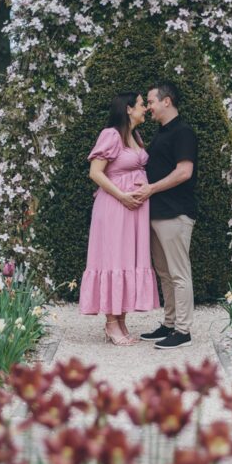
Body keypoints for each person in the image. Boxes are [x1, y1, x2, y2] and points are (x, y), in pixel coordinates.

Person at [79, 92, 160, 344]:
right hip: (115, 207)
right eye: (140, 104)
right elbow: (96, 173)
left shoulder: (135, 136)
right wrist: (123, 196)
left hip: (134, 211)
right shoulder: (111, 135)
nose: (145, 108)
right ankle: (111, 323)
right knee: (114, 258)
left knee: (127, 260)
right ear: (127, 109)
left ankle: (121, 320)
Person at [133, 81, 197, 349]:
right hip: (157, 212)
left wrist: (151, 189)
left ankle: (183, 331)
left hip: (176, 212)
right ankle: (170, 324)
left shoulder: (183, 132)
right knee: (165, 273)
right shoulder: (162, 133)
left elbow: (184, 172)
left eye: (151, 102)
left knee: (179, 273)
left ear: (166, 101)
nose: (148, 107)